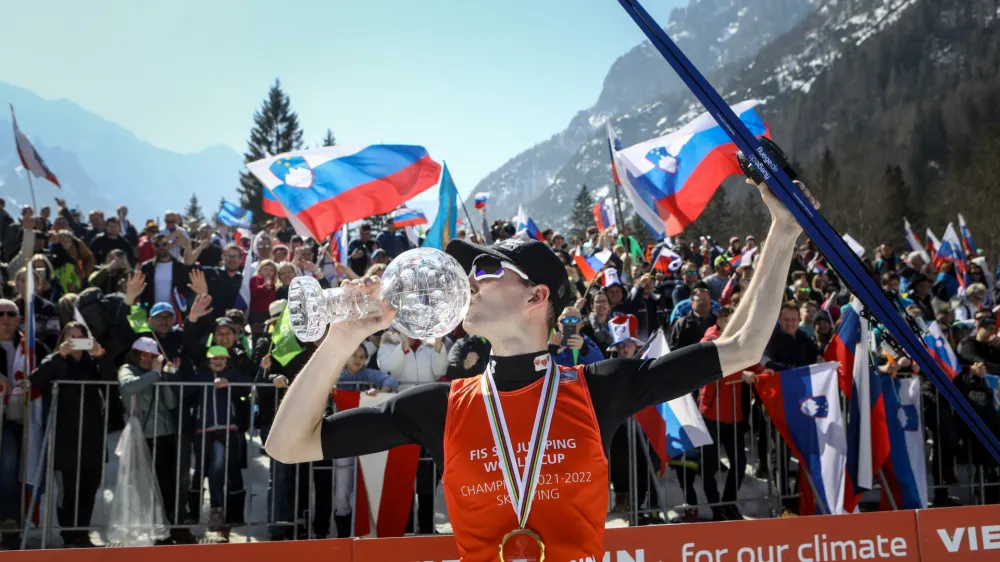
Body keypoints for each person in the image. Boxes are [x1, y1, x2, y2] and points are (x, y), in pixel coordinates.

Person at [265, 178, 815, 561]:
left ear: (537, 296)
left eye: (486, 267)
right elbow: (287, 446)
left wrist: (783, 231)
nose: (470, 279)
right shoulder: (438, 407)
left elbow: (743, 347)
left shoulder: (601, 390)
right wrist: (341, 339)